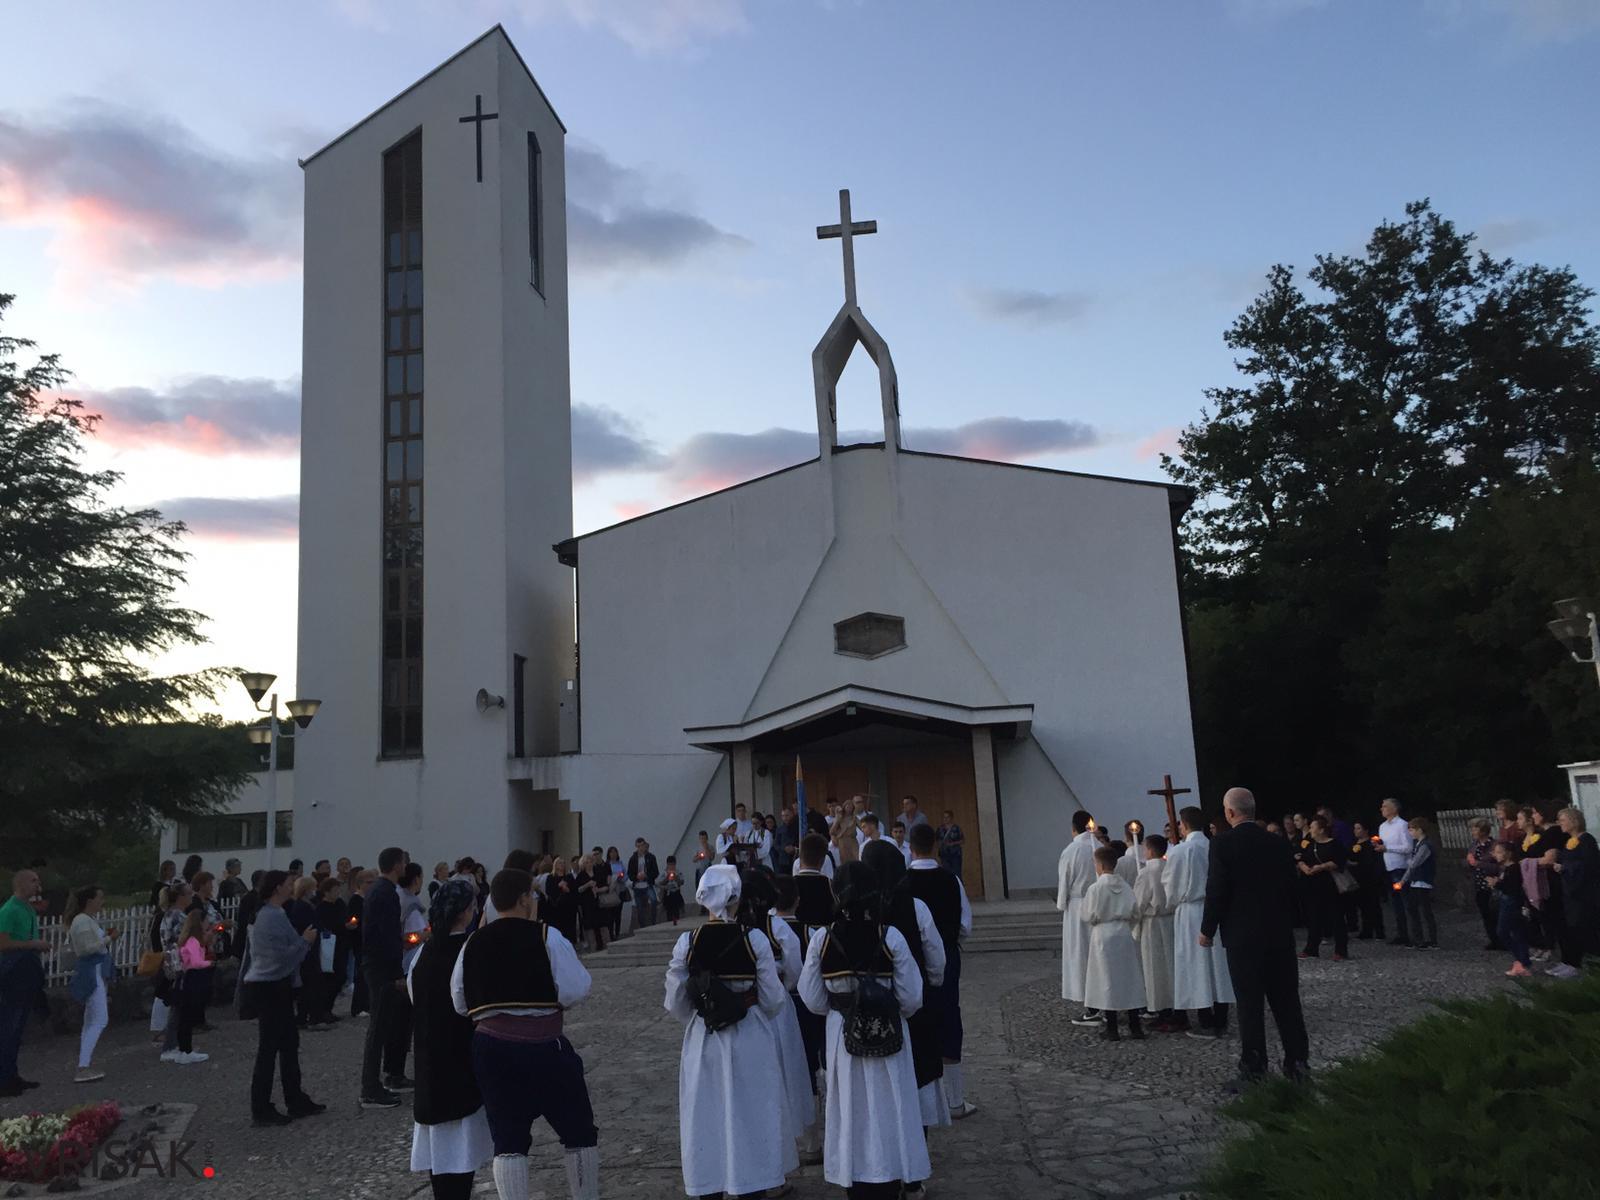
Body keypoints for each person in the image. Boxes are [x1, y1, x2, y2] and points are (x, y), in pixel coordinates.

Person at [455, 868, 599, 1200]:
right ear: (523, 899)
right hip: (545, 1046)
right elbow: (576, 989)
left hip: (492, 1048)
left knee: (508, 1139)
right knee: (578, 1131)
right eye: (532, 896)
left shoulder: (473, 943)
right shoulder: (547, 937)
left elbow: (460, 1001)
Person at [800, 860, 931, 1199]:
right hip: (888, 1034)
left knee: (851, 1109)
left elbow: (812, 998)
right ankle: (889, 1175)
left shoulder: (822, 940)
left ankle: (854, 1177)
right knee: (889, 1106)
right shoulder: (890, 936)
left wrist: (842, 1007)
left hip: (843, 1038)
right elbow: (912, 997)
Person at [1200, 788, 1309, 1088]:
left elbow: (1217, 890)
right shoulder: (1277, 843)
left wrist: (1207, 929)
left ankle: (1254, 1066)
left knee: (1249, 1004)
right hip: (1278, 933)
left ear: (1230, 813)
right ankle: (1297, 1062)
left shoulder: (1222, 844)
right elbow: (1291, 886)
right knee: (1287, 1001)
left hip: (1243, 936)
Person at [408, 878, 493, 1200]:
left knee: (439, 1150)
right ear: (467, 911)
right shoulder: (470, 950)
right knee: (460, 1149)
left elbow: (417, 999)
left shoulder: (423, 954)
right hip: (461, 1059)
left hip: (431, 1058)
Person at [862, 839, 948, 1141]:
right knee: (917, 1073)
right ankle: (915, 1148)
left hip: (866, 1012)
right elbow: (935, 955)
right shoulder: (916, 908)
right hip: (911, 1004)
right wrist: (931, 984)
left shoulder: (858, 914)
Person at [739, 868, 819, 1166]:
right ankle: (799, 1142)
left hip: (742, 1013)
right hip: (775, 1010)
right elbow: (795, 970)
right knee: (787, 1073)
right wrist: (781, 987)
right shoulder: (777, 929)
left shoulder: (733, 929)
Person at [242, 869, 326, 1126]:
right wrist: (305, 941)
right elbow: (282, 957)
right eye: (289, 884)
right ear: (278, 887)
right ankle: (262, 1107)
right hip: (270, 986)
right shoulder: (271, 916)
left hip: (273, 985)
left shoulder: (270, 914)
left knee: (288, 1044)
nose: (292, 888)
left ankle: (295, 1098)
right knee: (270, 1048)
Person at [905, 822, 975, 1121]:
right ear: (935, 846)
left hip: (908, 962)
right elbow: (965, 926)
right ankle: (955, 1100)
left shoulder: (900, 883)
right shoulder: (951, 881)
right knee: (948, 1019)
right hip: (945, 958)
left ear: (910, 847)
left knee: (914, 1024)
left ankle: (914, 1104)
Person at [1167, 807, 1233, 1038]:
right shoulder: (1214, 845)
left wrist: (1172, 902)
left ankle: (1206, 1019)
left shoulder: (1180, 851)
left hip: (1190, 910)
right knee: (1217, 966)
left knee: (1196, 964)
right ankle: (1221, 1018)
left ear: (1183, 825)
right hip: (1215, 908)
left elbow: (1171, 887)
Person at [774, 874, 825, 1162]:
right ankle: (811, 1139)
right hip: (802, 1004)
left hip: (772, 1007)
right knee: (807, 1068)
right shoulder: (811, 933)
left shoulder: (761, 931)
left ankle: (788, 1137)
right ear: (798, 901)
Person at [361, 846, 411, 1109]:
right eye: (403, 863)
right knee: (378, 1029)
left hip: (378, 966)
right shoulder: (385, 893)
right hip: (381, 969)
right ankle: (369, 1089)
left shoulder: (378, 892)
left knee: (383, 1027)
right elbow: (387, 937)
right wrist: (396, 973)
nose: (406, 867)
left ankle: (376, 1084)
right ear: (396, 865)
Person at [1083, 846, 1145, 1041]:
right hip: (1123, 933)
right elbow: (1136, 911)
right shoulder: (1126, 886)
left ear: (1100, 865)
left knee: (1107, 980)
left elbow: (1088, 915)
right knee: (1129, 978)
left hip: (1103, 934)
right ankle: (1135, 1026)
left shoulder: (1096, 888)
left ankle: (1112, 1028)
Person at [67, 884, 119, 1082]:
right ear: (90, 901)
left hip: (94, 970)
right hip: (92, 971)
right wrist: (108, 938)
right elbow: (87, 949)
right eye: (100, 898)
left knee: (91, 1021)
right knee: (99, 1019)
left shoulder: (86, 920)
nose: (102, 901)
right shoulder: (82, 921)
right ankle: (83, 1066)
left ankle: (84, 1062)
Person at [1056, 810, 1099, 1025]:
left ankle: (1091, 1005)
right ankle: (1101, 1000)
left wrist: (1062, 903)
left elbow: (1065, 879)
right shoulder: (1099, 847)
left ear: (1074, 828)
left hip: (1077, 905)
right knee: (1096, 953)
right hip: (1099, 903)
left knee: (1081, 953)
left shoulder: (1072, 850)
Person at [1548, 806, 1600, 978]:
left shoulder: (1587, 840)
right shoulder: (1568, 842)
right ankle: (1573, 962)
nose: (1560, 823)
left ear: (1573, 821)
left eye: (1562, 820)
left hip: (1584, 894)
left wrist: (1565, 868)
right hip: (1570, 893)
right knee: (1573, 928)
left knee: (1587, 928)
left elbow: (1590, 866)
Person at [1133, 835, 1177, 1032]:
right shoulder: (1170, 867)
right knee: (1171, 966)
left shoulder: (1146, 872)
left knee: (1155, 969)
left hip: (1152, 923)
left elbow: (1139, 903)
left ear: (1149, 850)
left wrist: (1133, 922)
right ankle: (1175, 1007)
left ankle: (1162, 1010)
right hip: (1170, 921)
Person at [1298, 815, 1350, 960]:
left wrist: (1321, 867)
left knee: (1336, 917)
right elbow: (1302, 859)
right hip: (1313, 885)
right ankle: (1311, 948)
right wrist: (1304, 868)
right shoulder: (1310, 845)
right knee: (1314, 917)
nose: (1311, 830)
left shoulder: (1334, 844)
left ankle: (1340, 950)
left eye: (1313, 827)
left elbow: (1339, 862)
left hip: (1331, 885)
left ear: (1321, 830)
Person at [155, 879, 194, 1060]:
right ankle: (171, 1046)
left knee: (177, 1006)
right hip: (180, 963)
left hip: (170, 962)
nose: (191, 896)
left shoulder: (167, 915)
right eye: (188, 893)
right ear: (180, 897)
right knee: (179, 1007)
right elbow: (183, 940)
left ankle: (172, 1044)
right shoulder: (179, 917)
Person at [169, 909, 214, 1064]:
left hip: (188, 978)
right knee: (187, 1017)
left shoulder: (188, 939)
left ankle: (184, 1050)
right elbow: (195, 962)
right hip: (193, 978)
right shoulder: (193, 941)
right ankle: (186, 1050)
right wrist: (209, 963)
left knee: (184, 1017)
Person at [1490, 841, 1532, 977]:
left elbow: (1511, 888)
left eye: (1499, 852)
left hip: (1511, 903)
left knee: (1503, 931)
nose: (1496, 855)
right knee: (1518, 932)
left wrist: (1496, 884)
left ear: (1508, 853)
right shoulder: (1506, 868)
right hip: (1509, 902)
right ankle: (1522, 962)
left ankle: (1520, 959)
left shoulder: (1513, 868)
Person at [1398, 818, 1439, 950]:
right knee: (1415, 910)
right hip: (1417, 882)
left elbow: (1414, 864)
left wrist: (1403, 880)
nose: (1410, 832)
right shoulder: (1419, 844)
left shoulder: (1425, 845)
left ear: (1419, 830)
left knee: (1423, 911)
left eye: (1412, 829)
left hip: (1422, 882)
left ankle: (1430, 940)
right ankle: (1420, 939)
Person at [1378, 798, 1413, 945]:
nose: (1382, 809)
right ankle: (1402, 933)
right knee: (1396, 903)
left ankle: (1413, 933)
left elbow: (1408, 847)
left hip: (1401, 867)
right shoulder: (1383, 826)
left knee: (1406, 901)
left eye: (1385, 806)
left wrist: (1389, 849)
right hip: (1389, 867)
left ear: (1394, 809)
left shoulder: (1402, 825)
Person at [1464, 818, 1502, 951]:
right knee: (1485, 913)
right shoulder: (1474, 845)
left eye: (1475, 828)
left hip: (1491, 883)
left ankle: (1502, 939)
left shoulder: (1493, 845)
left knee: (1495, 913)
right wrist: (1469, 863)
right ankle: (1493, 939)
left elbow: (1498, 865)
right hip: (1478, 883)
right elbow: (1470, 864)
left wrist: (1478, 863)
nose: (1473, 832)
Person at [1349, 822, 1386, 940]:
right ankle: (1366, 930)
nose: (1356, 831)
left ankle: (1379, 931)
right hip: (1357, 878)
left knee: (1373, 905)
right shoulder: (1353, 843)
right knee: (1362, 906)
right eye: (1355, 828)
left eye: (1358, 828)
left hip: (1370, 878)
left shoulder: (1372, 842)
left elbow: (1372, 860)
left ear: (1366, 830)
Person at [627, 839, 659, 927]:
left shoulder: (651, 857)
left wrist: (647, 876)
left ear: (645, 846)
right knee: (639, 907)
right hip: (637, 886)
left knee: (654, 901)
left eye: (642, 845)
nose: (640, 848)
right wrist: (636, 877)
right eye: (638, 846)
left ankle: (653, 921)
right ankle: (642, 926)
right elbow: (630, 873)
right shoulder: (633, 859)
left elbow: (656, 872)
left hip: (647, 884)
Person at [937, 812, 964, 880]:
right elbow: (937, 840)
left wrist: (953, 843)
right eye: (944, 817)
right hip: (944, 854)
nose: (945, 819)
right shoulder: (940, 829)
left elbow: (962, 840)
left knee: (957, 874)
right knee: (946, 874)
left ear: (951, 818)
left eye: (947, 817)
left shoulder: (956, 828)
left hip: (955, 854)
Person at [659, 856, 685, 925]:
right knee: (669, 909)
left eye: (673, 865)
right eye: (670, 865)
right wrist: (667, 878)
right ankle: (669, 921)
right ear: (667, 864)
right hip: (668, 893)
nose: (671, 867)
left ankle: (677, 920)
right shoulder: (664, 872)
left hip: (676, 892)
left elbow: (681, 882)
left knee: (676, 908)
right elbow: (660, 883)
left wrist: (676, 878)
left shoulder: (678, 872)